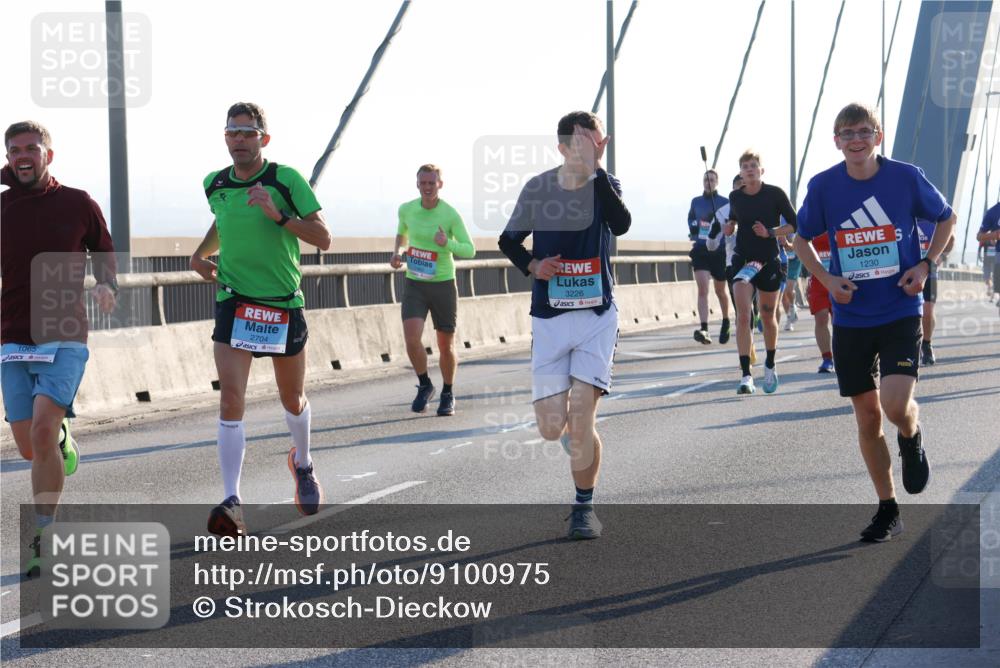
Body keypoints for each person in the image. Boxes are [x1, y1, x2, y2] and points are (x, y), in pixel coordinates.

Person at [794, 102, 956, 542]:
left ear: (878, 136)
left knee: (895, 406)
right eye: (847, 134)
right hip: (851, 317)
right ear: (836, 141)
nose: (856, 140)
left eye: (864, 131)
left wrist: (925, 266)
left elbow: (947, 219)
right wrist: (826, 278)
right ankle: (888, 509)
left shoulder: (905, 177)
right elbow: (800, 238)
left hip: (901, 309)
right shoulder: (824, 186)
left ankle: (911, 432)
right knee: (867, 418)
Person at [191, 102, 332, 536]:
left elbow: (323, 238)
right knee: (231, 398)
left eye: (248, 132)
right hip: (234, 300)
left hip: (282, 305)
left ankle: (303, 463)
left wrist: (280, 216)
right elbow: (223, 221)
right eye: (232, 132)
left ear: (263, 139)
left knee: (292, 399)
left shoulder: (286, 180)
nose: (239, 139)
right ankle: (232, 500)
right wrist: (201, 254)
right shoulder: (214, 183)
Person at [498, 111, 630, 540]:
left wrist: (596, 172)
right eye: (578, 144)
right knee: (553, 427)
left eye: (594, 143)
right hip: (551, 319)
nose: (586, 150)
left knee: (583, 416)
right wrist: (534, 264)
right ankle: (578, 438)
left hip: (596, 317)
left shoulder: (604, 185)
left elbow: (622, 224)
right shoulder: (538, 187)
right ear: (560, 147)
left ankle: (583, 507)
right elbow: (508, 241)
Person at [2, 121, 118, 576]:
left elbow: (105, 252)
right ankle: (62, 438)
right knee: (30, 446)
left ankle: (44, 538)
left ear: (50, 153)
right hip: (12, 334)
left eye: (32, 147)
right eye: (14, 150)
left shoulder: (78, 203)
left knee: (42, 433)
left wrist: (107, 285)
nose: (23, 155)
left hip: (65, 333)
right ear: (8, 159)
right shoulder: (3, 208)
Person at [390, 165, 475, 415]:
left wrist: (446, 243)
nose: (427, 187)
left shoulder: (450, 214)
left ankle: (448, 392)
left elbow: (470, 250)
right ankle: (425, 384)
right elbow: (402, 234)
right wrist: (397, 253)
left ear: (440, 184)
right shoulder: (406, 209)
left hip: (443, 285)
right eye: (423, 183)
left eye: (432, 183)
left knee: (445, 345)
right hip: (415, 283)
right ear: (417, 184)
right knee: (412, 338)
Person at [725, 150, 796, 394]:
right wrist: (729, 226)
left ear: (761, 170)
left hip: (769, 260)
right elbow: (734, 219)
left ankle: (770, 363)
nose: (749, 169)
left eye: (754, 165)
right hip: (743, 261)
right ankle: (746, 375)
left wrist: (770, 233)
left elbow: (794, 224)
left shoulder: (775, 194)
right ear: (741, 173)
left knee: (767, 315)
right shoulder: (735, 196)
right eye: (745, 166)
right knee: (743, 316)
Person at [687, 170, 731, 344]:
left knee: (720, 291)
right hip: (700, 249)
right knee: (703, 289)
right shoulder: (696, 202)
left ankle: (726, 320)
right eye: (706, 179)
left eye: (712, 180)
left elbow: (730, 223)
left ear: (717, 182)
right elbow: (691, 219)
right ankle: (704, 328)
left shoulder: (725, 202)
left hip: (719, 251)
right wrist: (695, 229)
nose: (708, 182)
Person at [916, 218, 954, 365]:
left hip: (929, 271)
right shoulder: (902, 213)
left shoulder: (934, 216)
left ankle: (927, 344)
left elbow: (951, 238)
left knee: (927, 309)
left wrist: (941, 256)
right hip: (906, 271)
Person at [804, 233, 836, 373]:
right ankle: (827, 358)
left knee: (840, 321)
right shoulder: (812, 222)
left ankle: (843, 356)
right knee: (821, 317)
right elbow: (801, 245)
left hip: (839, 279)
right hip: (818, 282)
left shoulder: (838, 220)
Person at [978, 202, 1000, 304]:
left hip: (993, 261)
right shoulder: (993, 212)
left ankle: (992, 291)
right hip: (992, 261)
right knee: (988, 279)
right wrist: (994, 234)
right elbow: (979, 237)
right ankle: (992, 291)